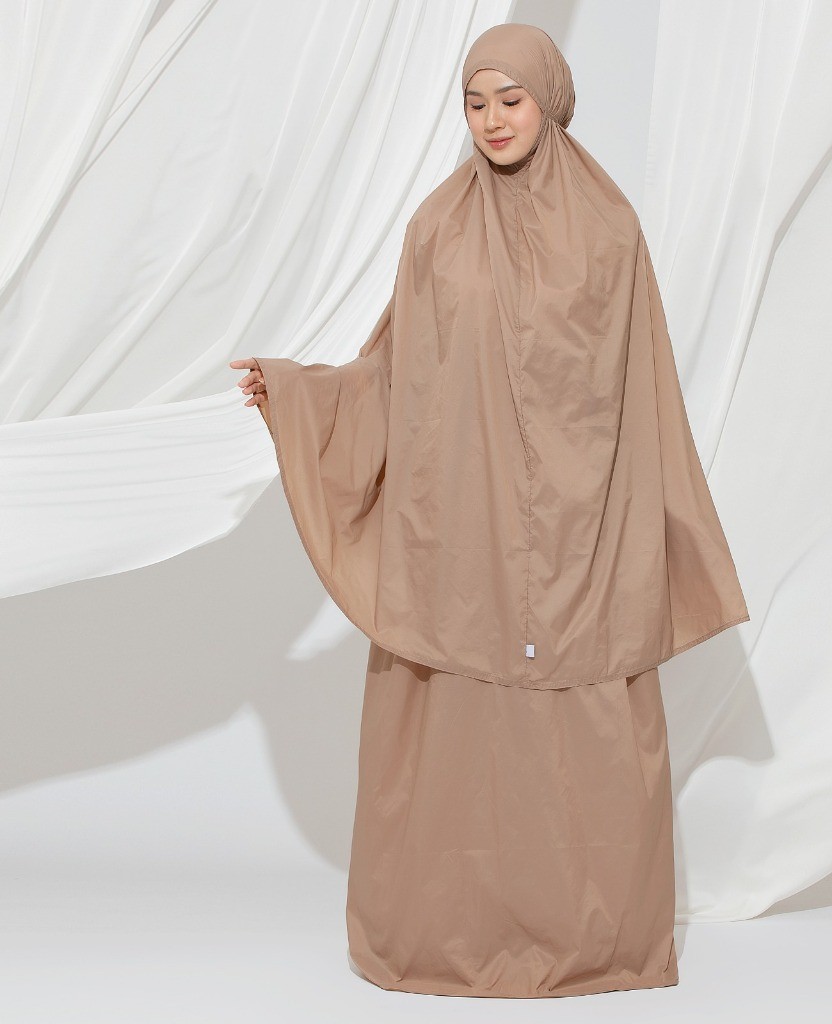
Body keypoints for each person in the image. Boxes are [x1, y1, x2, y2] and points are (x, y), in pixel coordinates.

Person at [230, 23, 748, 999]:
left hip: (581, 529)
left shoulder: (611, 230)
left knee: (581, 718)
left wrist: (618, 528)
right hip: (460, 524)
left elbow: (641, 387)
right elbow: (393, 371)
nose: (492, 120)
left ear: (549, 99)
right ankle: (441, 939)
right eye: (475, 102)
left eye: (510, 98)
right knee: (457, 723)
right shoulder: (436, 229)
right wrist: (298, 393)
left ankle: (595, 945)